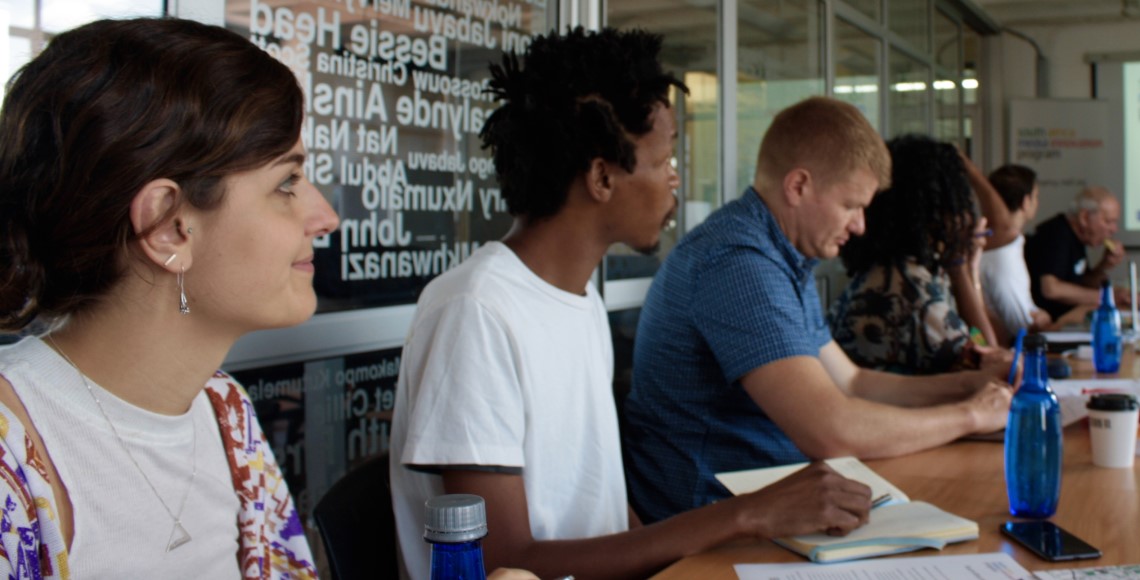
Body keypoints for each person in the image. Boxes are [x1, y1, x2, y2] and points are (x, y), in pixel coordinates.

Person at [388, 29, 873, 580]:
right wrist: (744, 514)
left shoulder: (582, 301)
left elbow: (600, 510)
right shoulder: (476, 309)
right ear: (600, 177)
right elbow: (502, 562)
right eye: (664, 160)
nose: (675, 180)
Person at [0, 18, 335, 578]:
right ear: (168, 227)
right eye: (286, 183)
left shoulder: (226, 414)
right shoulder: (14, 458)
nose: (326, 217)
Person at [625, 98, 1014, 524]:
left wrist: (970, 385)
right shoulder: (738, 262)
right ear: (798, 186)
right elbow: (831, 430)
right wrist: (971, 415)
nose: (861, 225)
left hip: (767, 504)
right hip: (706, 526)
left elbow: (852, 381)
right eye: (851, 205)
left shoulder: (783, 255)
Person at [829, 135, 1004, 374]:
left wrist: (964, 267)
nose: (964, 215)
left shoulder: (894, 269)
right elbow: (988, 358)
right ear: (935, 208)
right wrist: (961, 269)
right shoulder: (911, 289)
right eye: (957, 202)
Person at [966, 160, 1052, 341]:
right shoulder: (1004, 247)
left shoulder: (1007, 244)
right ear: (1026, 201)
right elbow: (1020, 329)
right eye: (1036, 196)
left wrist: (1041, 315)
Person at [1025, 186, 1129, 321]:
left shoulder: (1078, 239)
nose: (1113, 229)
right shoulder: (1056, 235)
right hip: (1046, 327)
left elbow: (1080, 283)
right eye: (1108, 221)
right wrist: (1107, 297)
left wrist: (1104, 265)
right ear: (1084, 217)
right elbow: (1051, 289)